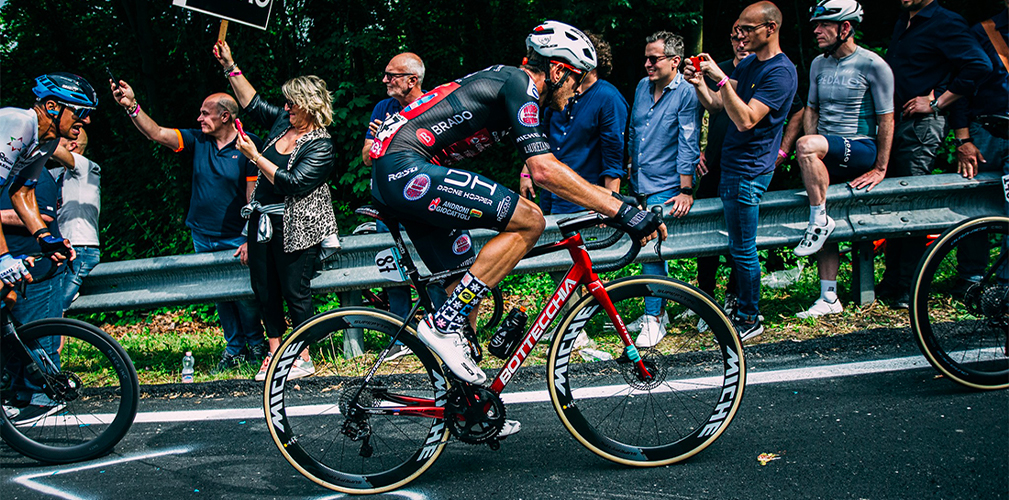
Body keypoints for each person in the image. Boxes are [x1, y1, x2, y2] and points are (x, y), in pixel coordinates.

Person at [367, 20, 664, 395]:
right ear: (557, 70)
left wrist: (614, 202)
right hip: (405, 168)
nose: (577, 91)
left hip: (396, 174)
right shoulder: (520, 84)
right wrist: (622, 212)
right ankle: (442, 326)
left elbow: (548, 164)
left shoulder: (513, 88)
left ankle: (469, 406)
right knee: (530, 220)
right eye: (576, 79)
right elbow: (544, 171)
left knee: (466, 280)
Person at [111, 80, 266, 373]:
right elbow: (157, 133)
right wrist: (132, 106)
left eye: (205, 113)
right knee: (219, 295)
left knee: (245, 295)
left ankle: (256, 344)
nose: (199, 118)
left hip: (236, 236)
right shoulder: (198, 140)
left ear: (225, 116)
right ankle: (234, 348)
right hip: (202, 235)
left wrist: (249, 236)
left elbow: (253, 196)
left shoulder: (248, 144)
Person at [212, 40, 340, 382]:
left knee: (294, 291)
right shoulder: (282, 123)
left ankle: (303, 356)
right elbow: (252, 103)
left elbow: (292, 183)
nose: (285, 107)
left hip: (296, 223)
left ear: (308, 106)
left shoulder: (321, 145)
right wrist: (229, 65)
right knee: (265, 289)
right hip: (262, 220)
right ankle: (275, 353)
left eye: (291, 103)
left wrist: (255, 157)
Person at [684, 1, 798, 342]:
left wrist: (720, 80)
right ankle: (741, 311)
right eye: (738, 30)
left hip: (749, 171)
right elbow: (719, 105)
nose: (741, 36)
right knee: (738, 247)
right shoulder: (751, 65)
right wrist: (700, 83)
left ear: (770, 28)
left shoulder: (780, 72)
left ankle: (749, 316)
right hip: (730, 167)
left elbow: (746, 119)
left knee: (743, 249)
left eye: (747, 29)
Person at [879, 0, 992, 309]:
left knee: (912, 202)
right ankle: (893, 280)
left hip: (922, 126)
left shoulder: (945, 21)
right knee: (897, 201)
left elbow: (979, 65)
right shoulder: (905, 20)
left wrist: (937, 101)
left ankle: (910, 287)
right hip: (897, 123)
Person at [792, 0, 895, 319]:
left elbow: (887, 118)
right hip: (827, 149)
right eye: (815, 24)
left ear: (845, 28)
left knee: (818, 214)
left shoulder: (873, 64)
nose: (816, 30)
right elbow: (812, 109)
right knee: (823, 213)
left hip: (861, 147)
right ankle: (829, 297)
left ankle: (819, 220)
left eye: (824, 24)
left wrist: (880, 167)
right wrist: (813, 149)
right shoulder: (818, 64)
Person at [624, 30, 700, 348]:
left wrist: (686, 189)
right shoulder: (642, 87)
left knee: (651, 249)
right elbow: (634, 130)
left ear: (675, 61)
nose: (647, 64)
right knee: (649, 248)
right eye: (646, 58)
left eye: (654, 59)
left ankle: (653, 319)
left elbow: (688, 140)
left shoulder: (686, 93)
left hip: (666, 185)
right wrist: (630, 163)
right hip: (639, 182)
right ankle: (658, 312)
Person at [360, 52, 432, 360]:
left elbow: (437, 156)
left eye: (392, 75)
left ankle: (439, 331)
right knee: (393, 271)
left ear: (412, 80)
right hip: (387, 205)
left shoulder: (434, 104)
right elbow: (367, 157)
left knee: (433, 266)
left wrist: (394, 139)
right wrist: (380, 140)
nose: (385, 80)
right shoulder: (383, 108)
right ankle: (401, 338)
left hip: (422, 202)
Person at [519, 32, 628, 214]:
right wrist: (526, 172)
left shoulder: (609, 98)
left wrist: (610, 204)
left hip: (584, 201)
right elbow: (540, 135)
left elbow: (613, 157)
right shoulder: (559, 90)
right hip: (550, 194)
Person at [0, 74, 83, 299]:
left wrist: (45, 239)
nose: (86, 121)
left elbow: (22, 192)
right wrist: (3, 257)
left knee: (8, 295)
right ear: (52, 106)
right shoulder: (20, 124)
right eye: (81, 112)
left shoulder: (48, 140)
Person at [692, 24, 750, 333]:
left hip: (745, 166)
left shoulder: (765, 71)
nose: (740, 42)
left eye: (745, 36)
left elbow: (793, 111)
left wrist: (781, 152)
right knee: (705, 233)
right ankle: (705, 297)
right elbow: (714, 107)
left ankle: (734, 296)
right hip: (714, 164)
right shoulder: (721, 68)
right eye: (735, 37)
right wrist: (700, 151)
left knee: (739, 236)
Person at [948, 1, 1009, 292]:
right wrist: (963, 139)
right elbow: (960, 86)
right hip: (985, 131)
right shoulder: (983, 32)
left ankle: (1005, 285)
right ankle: (971, 279)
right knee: (974, 206)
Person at [52, 129, 102, 311]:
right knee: (50, 307)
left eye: (58, 137)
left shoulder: (85, 167)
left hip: (81, 248)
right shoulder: (59, 174)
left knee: (55, 308)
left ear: (72, 145)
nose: (53, 139)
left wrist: (36, 134)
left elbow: (51, 148)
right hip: (64, 249)